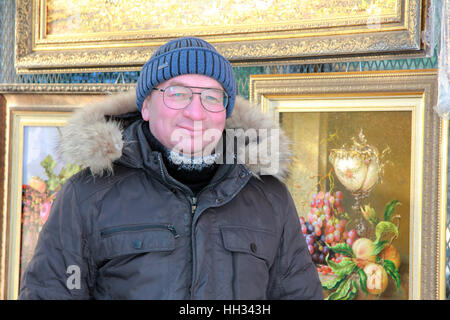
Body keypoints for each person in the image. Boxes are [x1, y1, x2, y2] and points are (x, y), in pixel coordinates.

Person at [18, 37, 323, 300]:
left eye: (211, 97)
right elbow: (50, 290)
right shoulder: (87, 195)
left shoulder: (269, 198)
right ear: (147, 106)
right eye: (178, 94)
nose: (196, 112)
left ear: (226, 111)